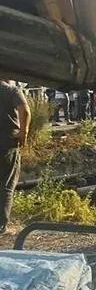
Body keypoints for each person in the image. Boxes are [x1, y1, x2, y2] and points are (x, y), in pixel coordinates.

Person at [0, 79, 30, 235]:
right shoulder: (11, 91)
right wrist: (23, 133)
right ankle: (1, 225)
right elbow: (24, 110)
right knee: (6, 184)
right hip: (7, 143)